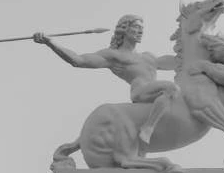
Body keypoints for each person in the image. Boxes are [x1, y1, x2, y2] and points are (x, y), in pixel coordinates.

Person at [35, 15, 179, 144]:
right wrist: (51, 42)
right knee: (171, 88)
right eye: (136, 27)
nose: (141, 31)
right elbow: (78, 60)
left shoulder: (148, 56)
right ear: (124, 30)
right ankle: (148, 127)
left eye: (142, 28)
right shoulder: (113, 55)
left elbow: (179, 61)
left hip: (157, 93)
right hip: (141, 91)